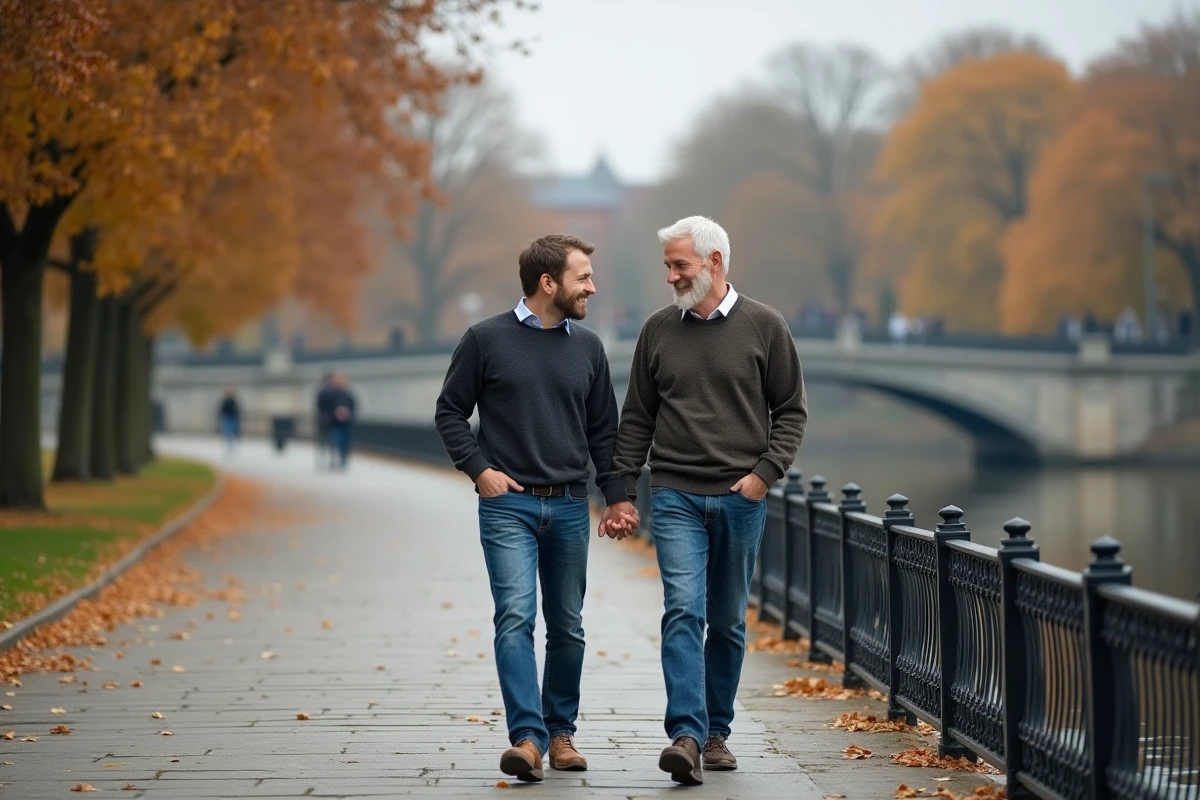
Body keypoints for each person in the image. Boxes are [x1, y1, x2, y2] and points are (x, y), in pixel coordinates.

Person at [601, 216, 807, 786]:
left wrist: (765, 475)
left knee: (727, 621)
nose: (670, 276)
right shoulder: (657, 331)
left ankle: (718, 733)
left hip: (742, 497)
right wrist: (620, 491)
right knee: (683, 611)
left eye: (679, 265)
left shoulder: (766, 327)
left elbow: (790, 410)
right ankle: (686, 736)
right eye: (668, 265)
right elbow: (637, 415)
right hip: (675, 495)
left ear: (714, 262)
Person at [435, 234, 634, 784]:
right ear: (548, 283)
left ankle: (560, 732)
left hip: (570, 506)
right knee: (515, 617)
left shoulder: (588, 347)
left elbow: (603, 431)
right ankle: (527, 738)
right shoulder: (485, 340)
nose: (592, 286)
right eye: (583, 277)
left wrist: (618, 496)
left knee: (567, 626)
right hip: (509, 510)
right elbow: (450, 411)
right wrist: (479, 470)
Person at [326, 371, 356, 470]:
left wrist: (346, 413)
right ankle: (336, 458)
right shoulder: (330, 393)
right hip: (334, 423)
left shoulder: (347, 394)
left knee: (345, 442)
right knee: (335, 440)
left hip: (346, 423)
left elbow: (353, 406)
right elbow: (325, 407)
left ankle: (343, 459)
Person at [315, 372, 335, 469]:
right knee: (328, 441)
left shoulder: (322, 391)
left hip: (325, 420)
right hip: (328, 420)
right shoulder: (327, 391)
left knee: (325, 441)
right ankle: (327, 460)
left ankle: (325, 460)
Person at [217, 387, 240, 454]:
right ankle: (228, 445)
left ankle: (231, 445)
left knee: (232, 432)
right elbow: (222, 410)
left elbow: (237, 410)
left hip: (233, 418)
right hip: (227, 418)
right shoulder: (225, 401)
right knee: (227, 432)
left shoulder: (233, 401)